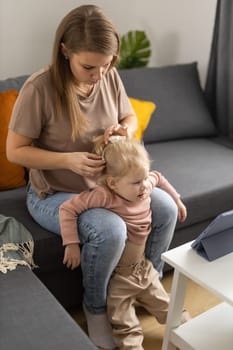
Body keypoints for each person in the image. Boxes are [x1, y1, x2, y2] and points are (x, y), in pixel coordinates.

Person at [6, 4, 178, 349]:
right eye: (89, 66)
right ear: (65, 51)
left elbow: (129, 118)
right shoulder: (38, 89)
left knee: (166, 209)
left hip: (108, 186)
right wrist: (66, 160)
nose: (99, 75)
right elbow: (15, 151)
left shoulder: (108, 75)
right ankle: (96, 307)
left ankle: (144, 282)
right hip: (53, 194)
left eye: (106, 65)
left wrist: (122, 132)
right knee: (110, 229)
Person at [59, 135, 188, 350]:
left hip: (144, 269)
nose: (145, 186)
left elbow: (158, 177)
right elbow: (68, 209)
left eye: (144, 178)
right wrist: (71, 244)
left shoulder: (145, 183)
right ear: (113, 183)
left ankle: (191, 338)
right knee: (127, 329)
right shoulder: (104, 195)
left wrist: (177, 200)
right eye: (136, 182)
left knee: (172, 309)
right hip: (119, 280)